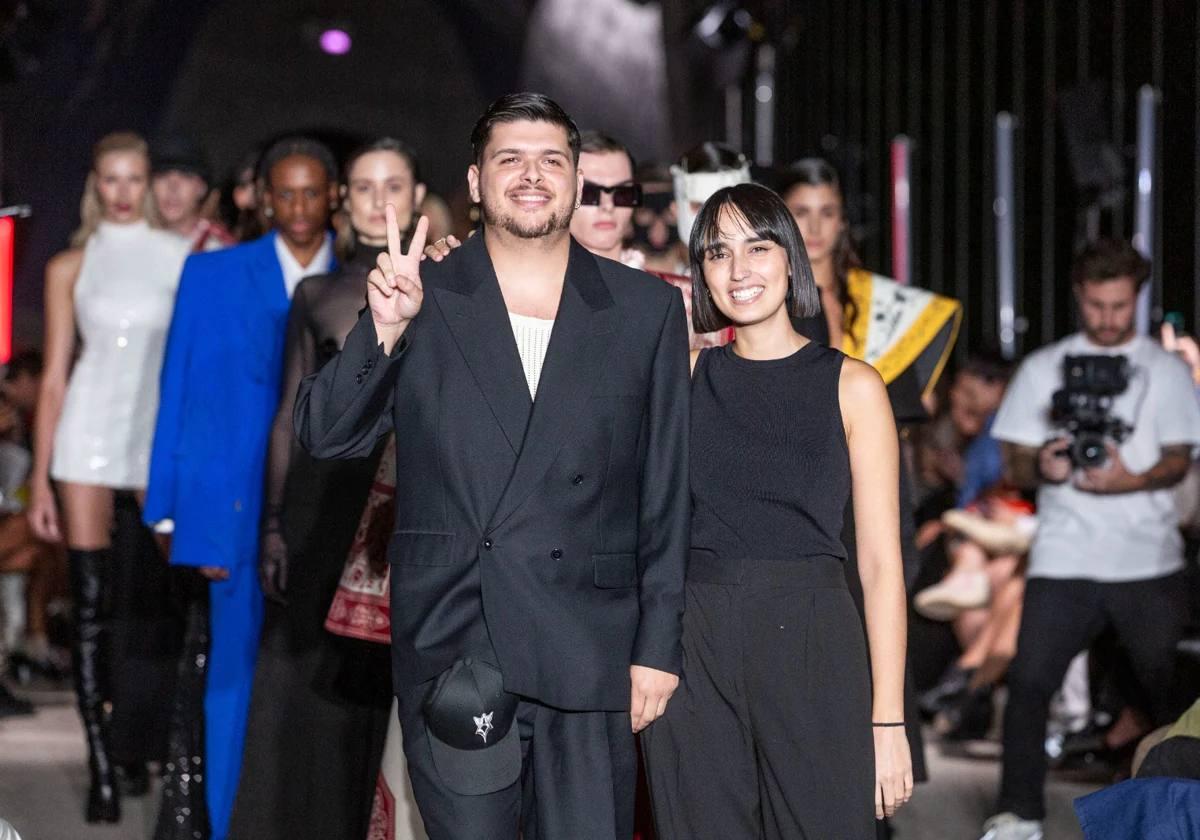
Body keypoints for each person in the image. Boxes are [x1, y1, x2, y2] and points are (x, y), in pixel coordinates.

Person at [294, 92, 689, 840]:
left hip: (593, 648)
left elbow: (665, 492)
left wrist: (658, 647)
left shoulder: (646, 311)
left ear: (575, 180)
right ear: (475, 181)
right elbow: (325, 435)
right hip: (457, 643)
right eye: (510, 159)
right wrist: (383, 326)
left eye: (551, 161)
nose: (531, 175)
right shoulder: (425, 294)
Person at [640, 182, 911, 838]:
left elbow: (879, 565)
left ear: (790, 258)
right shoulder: (684, 376)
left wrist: (890, 720)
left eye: (757, 248)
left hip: (816, 639)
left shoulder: (854, 386)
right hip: (696, 644)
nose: (738, 270)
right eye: (716, 252)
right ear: (699, 271)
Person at [229, 137, 426, 840]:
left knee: (395, 694)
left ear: (419, 197)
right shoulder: (319, 292)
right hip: (325, 502)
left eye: (393, 186)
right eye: (365, 187)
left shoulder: (456, 285)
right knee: (310, 691)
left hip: (408, 503)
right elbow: (289, 413)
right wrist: (275, 524)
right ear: (348, 200)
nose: (380, 201)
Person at [144, 136, 339, 840]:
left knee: (313, 685)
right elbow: (177, 392)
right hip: (230, 508)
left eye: (310, 191)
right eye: (282, 192)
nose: (296, 207)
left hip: (322, 512)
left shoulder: (365, 279)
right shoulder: (213, 275)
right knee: (231, 676)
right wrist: (169, 509)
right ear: (260, 196)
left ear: (333, 197)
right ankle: (227, 824)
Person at [979, 239, 1200, 840]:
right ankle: (1019, 812)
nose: (1108, 318)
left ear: (1138, 299)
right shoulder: (1043, 368)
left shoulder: (1166, 371)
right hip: (1064, 555)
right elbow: (1015, 460)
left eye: (1120, 306)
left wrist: (1133, 478)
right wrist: (1044, 469)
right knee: (1028, 684)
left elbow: (1181, 458)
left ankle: (1169, 814)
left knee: (1164, 690)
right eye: (1098, 305)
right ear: (1080, 296)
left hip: (1148, 560)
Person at [27, 131, 190, 823]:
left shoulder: (183, 257)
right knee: (89, 608)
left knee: (168, 596)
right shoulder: (70, 264)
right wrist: (40, 478)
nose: (123, 190)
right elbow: (57, 376)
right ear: (96, 184)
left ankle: (154, 745)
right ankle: (100, 762)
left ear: (148, 182)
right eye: (110, 179)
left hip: (153, 437)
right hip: (87, 434)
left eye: (134, 177)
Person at [781, 157, 960, 421]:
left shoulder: (879, 299)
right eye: (801, 212)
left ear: (842, 220)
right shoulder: (767, 298)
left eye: (827, 212)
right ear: (781, 218)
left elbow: (918, 403)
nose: (815, 228)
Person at [151, 136, 236, 252]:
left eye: (186, 176)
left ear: (202, 188)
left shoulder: (219, 249)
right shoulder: (132, 242)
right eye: (163, 176)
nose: (173, 187)